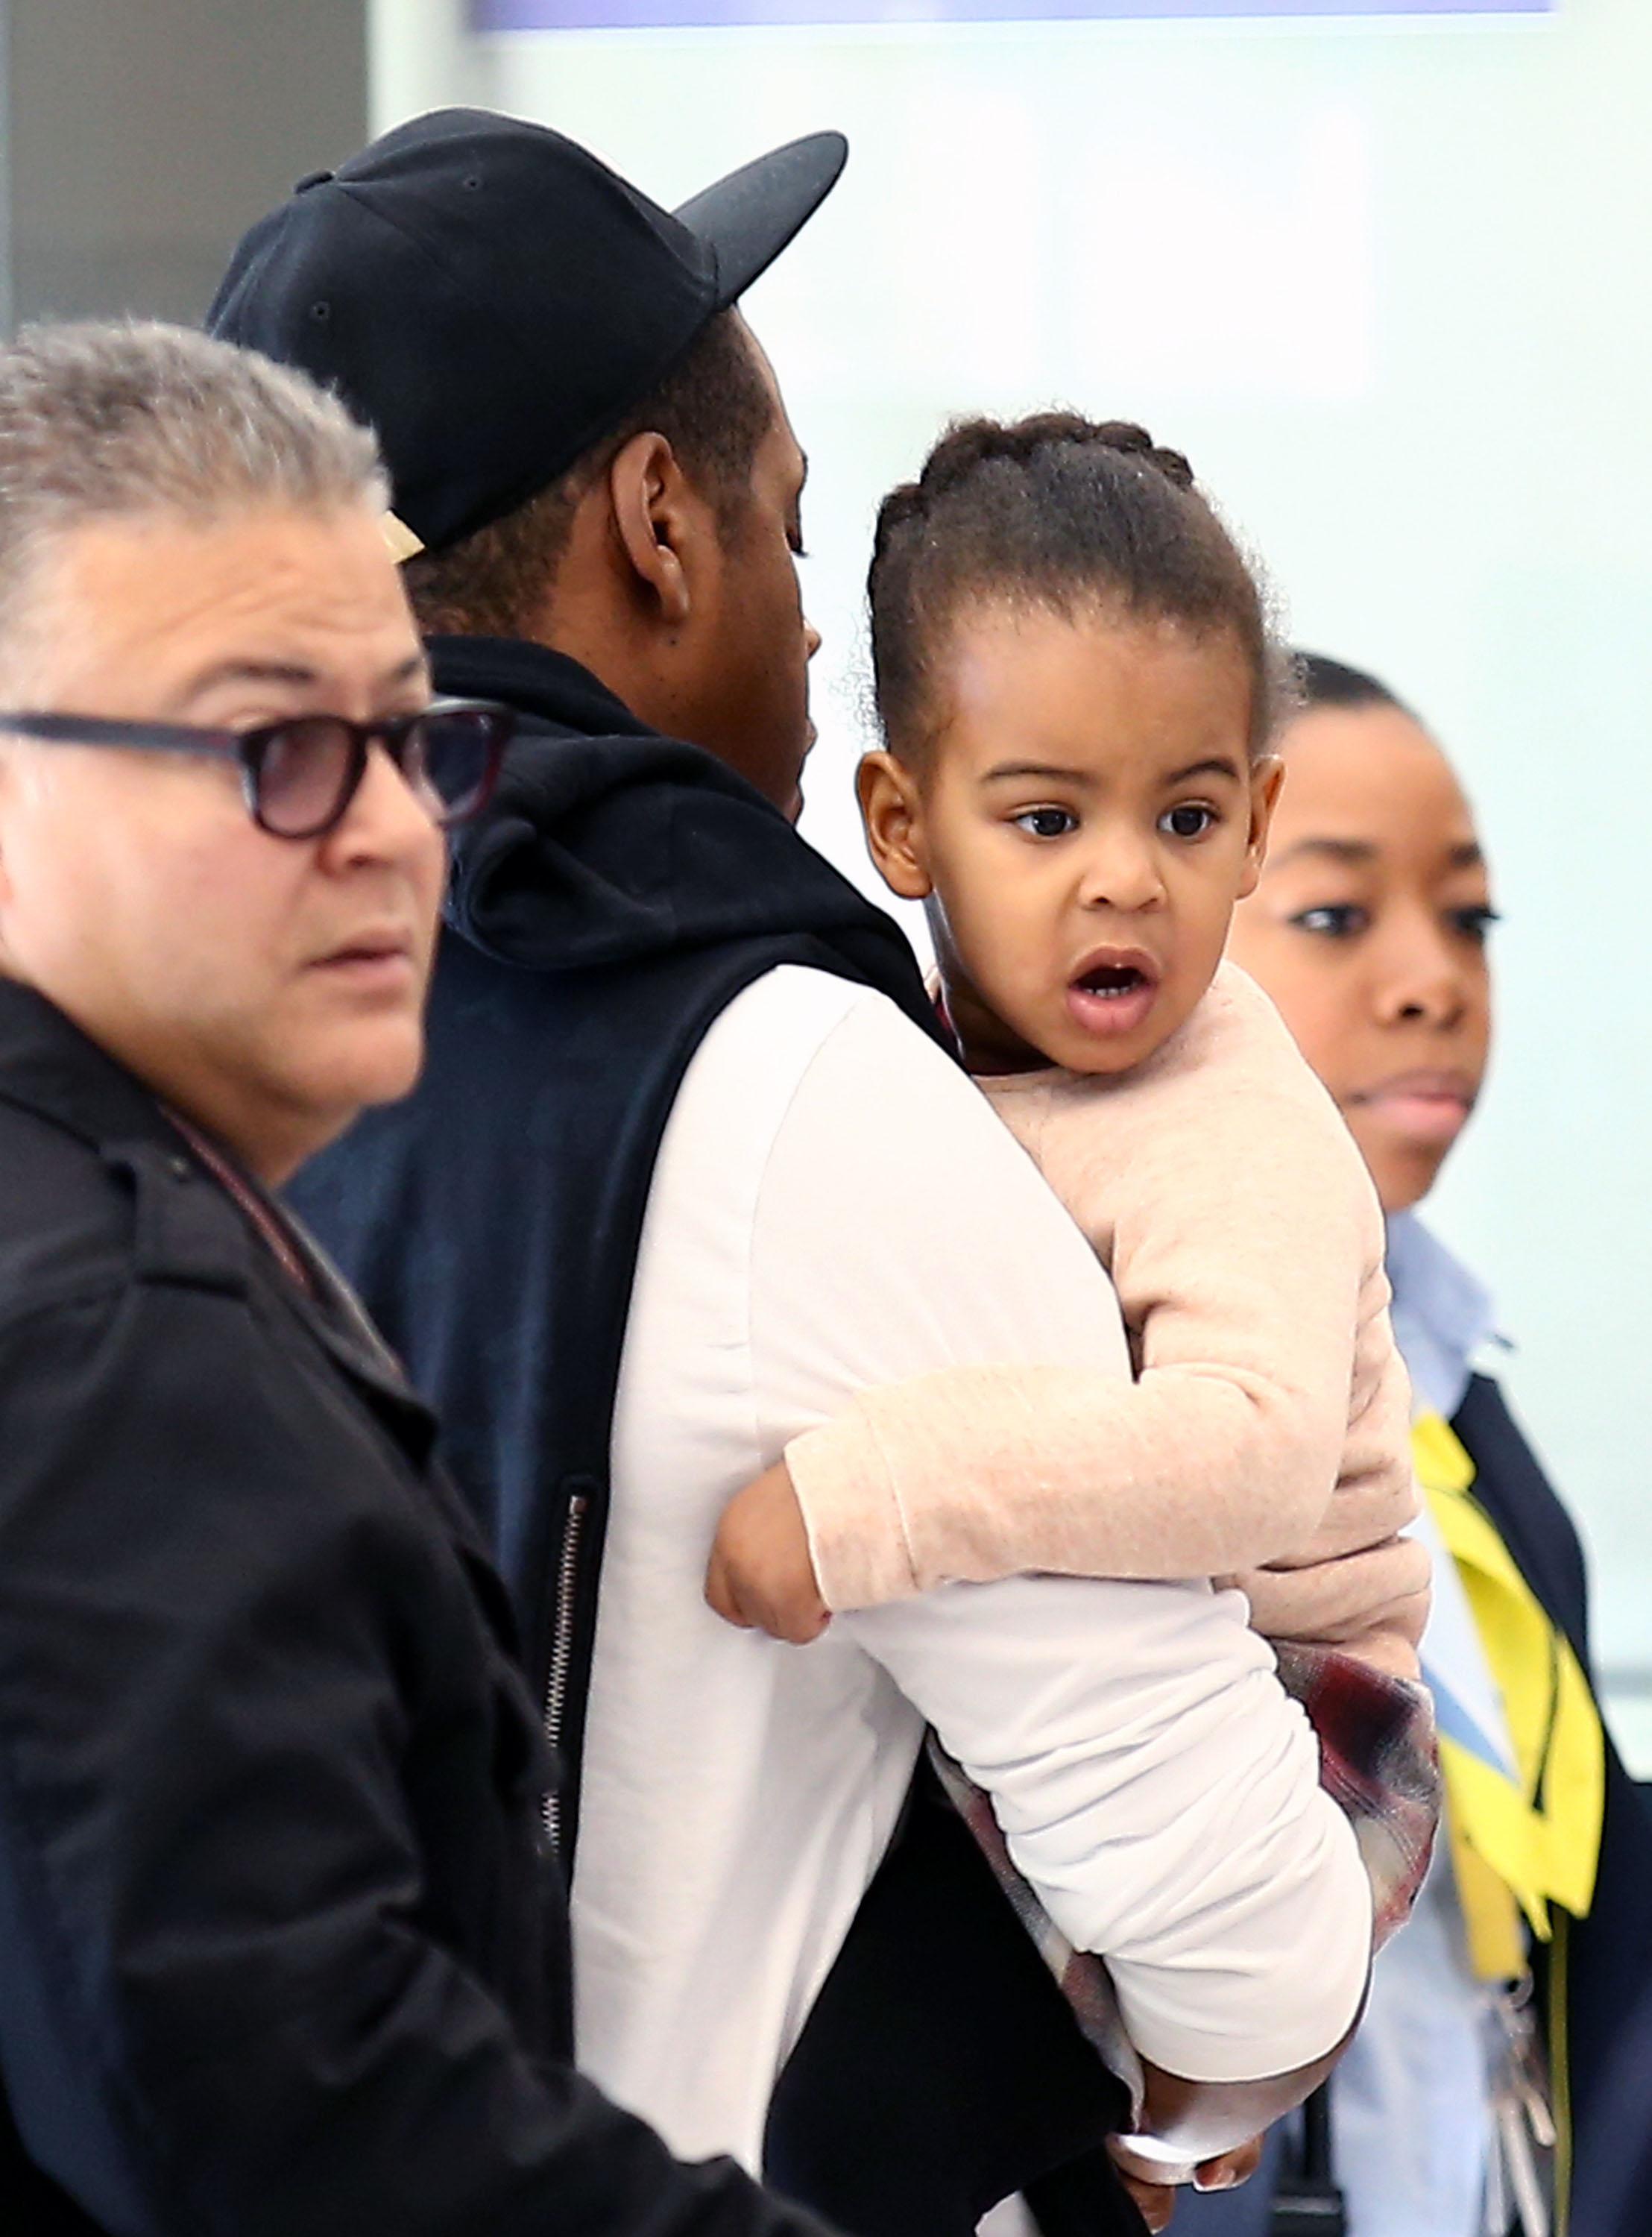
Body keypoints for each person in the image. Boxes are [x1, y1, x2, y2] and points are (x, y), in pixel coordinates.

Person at [211, 112, 1375, 2236]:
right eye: (782, 533)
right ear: (660, 524)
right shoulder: (777, 1066)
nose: (810, 628)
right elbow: (1229, 1919)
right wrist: (1197, 2116)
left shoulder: (172, 1040)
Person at [0, 317, 850, 2237]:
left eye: (409, 741)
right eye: (278, 750)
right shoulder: (102, 1335)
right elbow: (294, 2111)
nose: (394, 831)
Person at [704, 411, 1440, 1976]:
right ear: (902, 826)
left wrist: (867, 1502)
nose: (1123, 878)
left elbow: (1246, 1454)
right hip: (1099, 1737)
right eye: (1046, 821)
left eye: (1183, 818)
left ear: (1254, 822)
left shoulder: (1227, 1115)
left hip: (1310, 1735)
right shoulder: (900, 1044)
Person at [1182, 652, 1652, 2236]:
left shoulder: (1459, 1396)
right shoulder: (1128, 1410)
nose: (1429, 978)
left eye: (1467, 918)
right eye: (1335, 915)